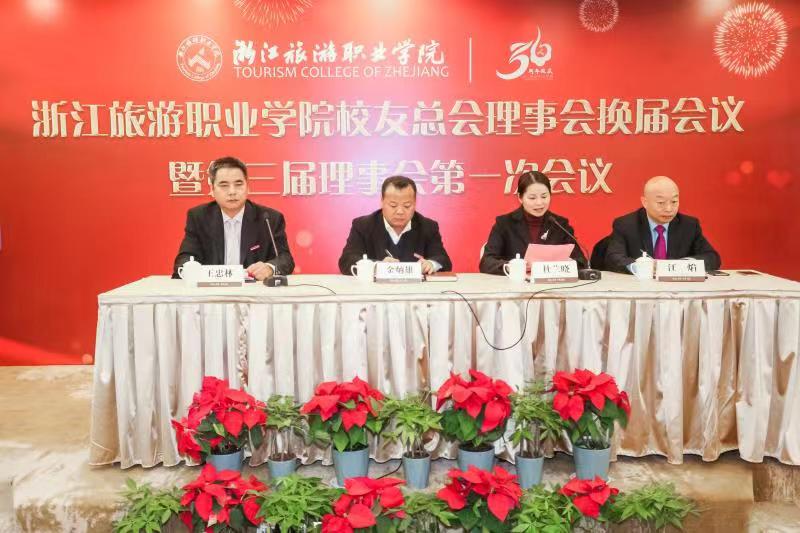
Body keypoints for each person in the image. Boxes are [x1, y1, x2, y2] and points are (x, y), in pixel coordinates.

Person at [172, 156, 294, 280]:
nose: (232, 192)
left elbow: (285, 259)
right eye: (224, 185)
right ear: (212, 190)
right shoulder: (199, 217)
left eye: (238, 184)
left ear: (248, 187)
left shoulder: (269, 219)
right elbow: (185, 258)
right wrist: (191, 268)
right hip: (211, 289)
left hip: (253, 289)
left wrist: (270, 268)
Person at [604, 175, 720, 273]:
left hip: (679, 289)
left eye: (674, 201)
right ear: (645, 202)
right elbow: (613, 258)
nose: (669, 209)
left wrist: (681, 265)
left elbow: (712, 257)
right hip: (641, 287)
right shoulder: (626, 225)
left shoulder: (689, 225)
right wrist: (642, 267)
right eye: (661, 203)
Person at [338, 176, 452, 275]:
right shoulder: (363, 225)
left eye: (407, 206)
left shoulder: (428, 226)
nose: (400, 211)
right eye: (393, 205)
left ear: (415, 203)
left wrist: (431, 264)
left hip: (416, 290)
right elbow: (347, 260)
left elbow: (443, 260)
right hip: (375, 291)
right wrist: (376, 266)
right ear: (382, 201)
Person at [479, 171, 587, 275]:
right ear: (520, 197)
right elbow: (486, 261)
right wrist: (509, 267)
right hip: (516, 284)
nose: (539, 203)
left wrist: (568, 264)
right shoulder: (504, 224)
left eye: (544, 196)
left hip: (552, 284)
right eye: (532, 198)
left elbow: (581, 262)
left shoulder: (560, 224)